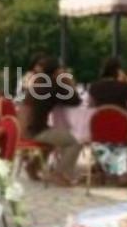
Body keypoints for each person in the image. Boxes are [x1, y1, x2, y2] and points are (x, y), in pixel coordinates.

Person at [17, 55, 83, 186]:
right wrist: (66, 81)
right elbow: (76, 100)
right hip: (35, 131)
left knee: (53, 138)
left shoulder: (38, 82)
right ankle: (59, 173)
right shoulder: (53, 85)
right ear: (57, 71)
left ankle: (32, 167)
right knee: (74, 143)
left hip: (23, 129)